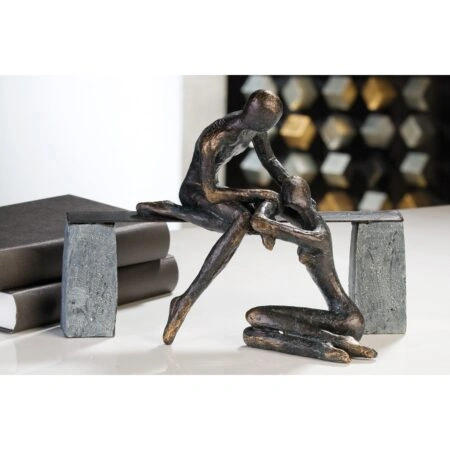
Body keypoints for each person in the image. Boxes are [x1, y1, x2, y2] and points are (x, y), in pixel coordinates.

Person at [137, 90, 376, 363]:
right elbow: (211, 193)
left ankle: (173, 214)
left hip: (219, 193)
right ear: (252, 116)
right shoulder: (213, 138)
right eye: (265, 126)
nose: (265, 132)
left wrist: (288, 186)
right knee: (241, 220)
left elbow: (270, 161)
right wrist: (262, 194)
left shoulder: (256, 129)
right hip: (198, 193)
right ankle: (185, 300)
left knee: (248, 219)